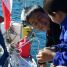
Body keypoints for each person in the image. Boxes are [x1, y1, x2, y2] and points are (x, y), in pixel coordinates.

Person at [37, 0, 67, 66]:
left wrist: (52, 56)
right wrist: (55, 48)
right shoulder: (64, 25)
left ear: (57, 14)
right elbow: (65, 44)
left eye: (50, 16)